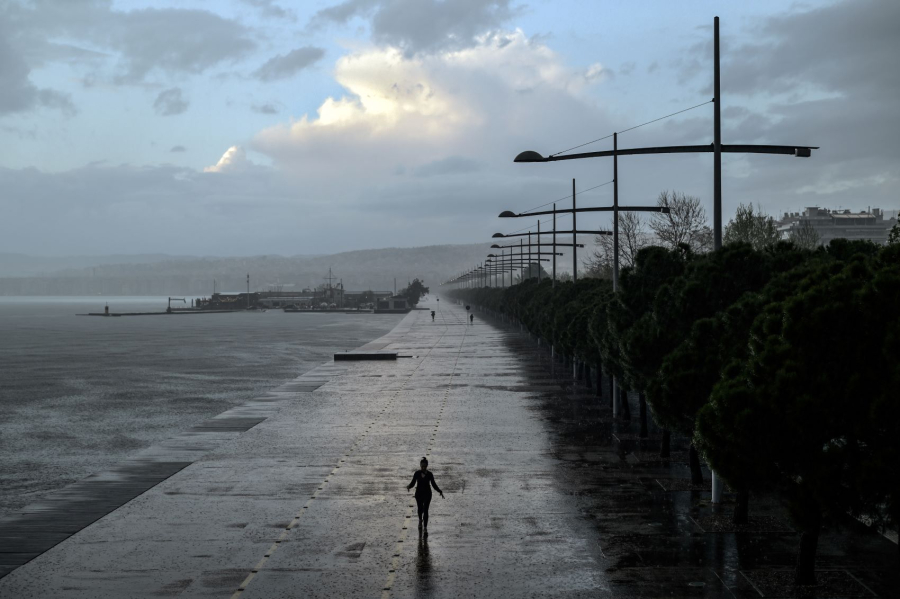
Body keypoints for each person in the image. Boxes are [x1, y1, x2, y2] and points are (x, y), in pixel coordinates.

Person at [407, 457, 443, 531]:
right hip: (419, 494)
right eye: (422, 466)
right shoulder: (417, 473)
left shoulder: (430, 474)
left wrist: (439, 490)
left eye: (425, 466)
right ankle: (420, 520)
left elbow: (433, 484)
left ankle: (425, 527)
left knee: (426, 510)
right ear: (420, 466)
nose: (423, 467)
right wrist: (409, 486)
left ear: (427, 466)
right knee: (420, 509)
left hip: (427, 494)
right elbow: (413, 483)